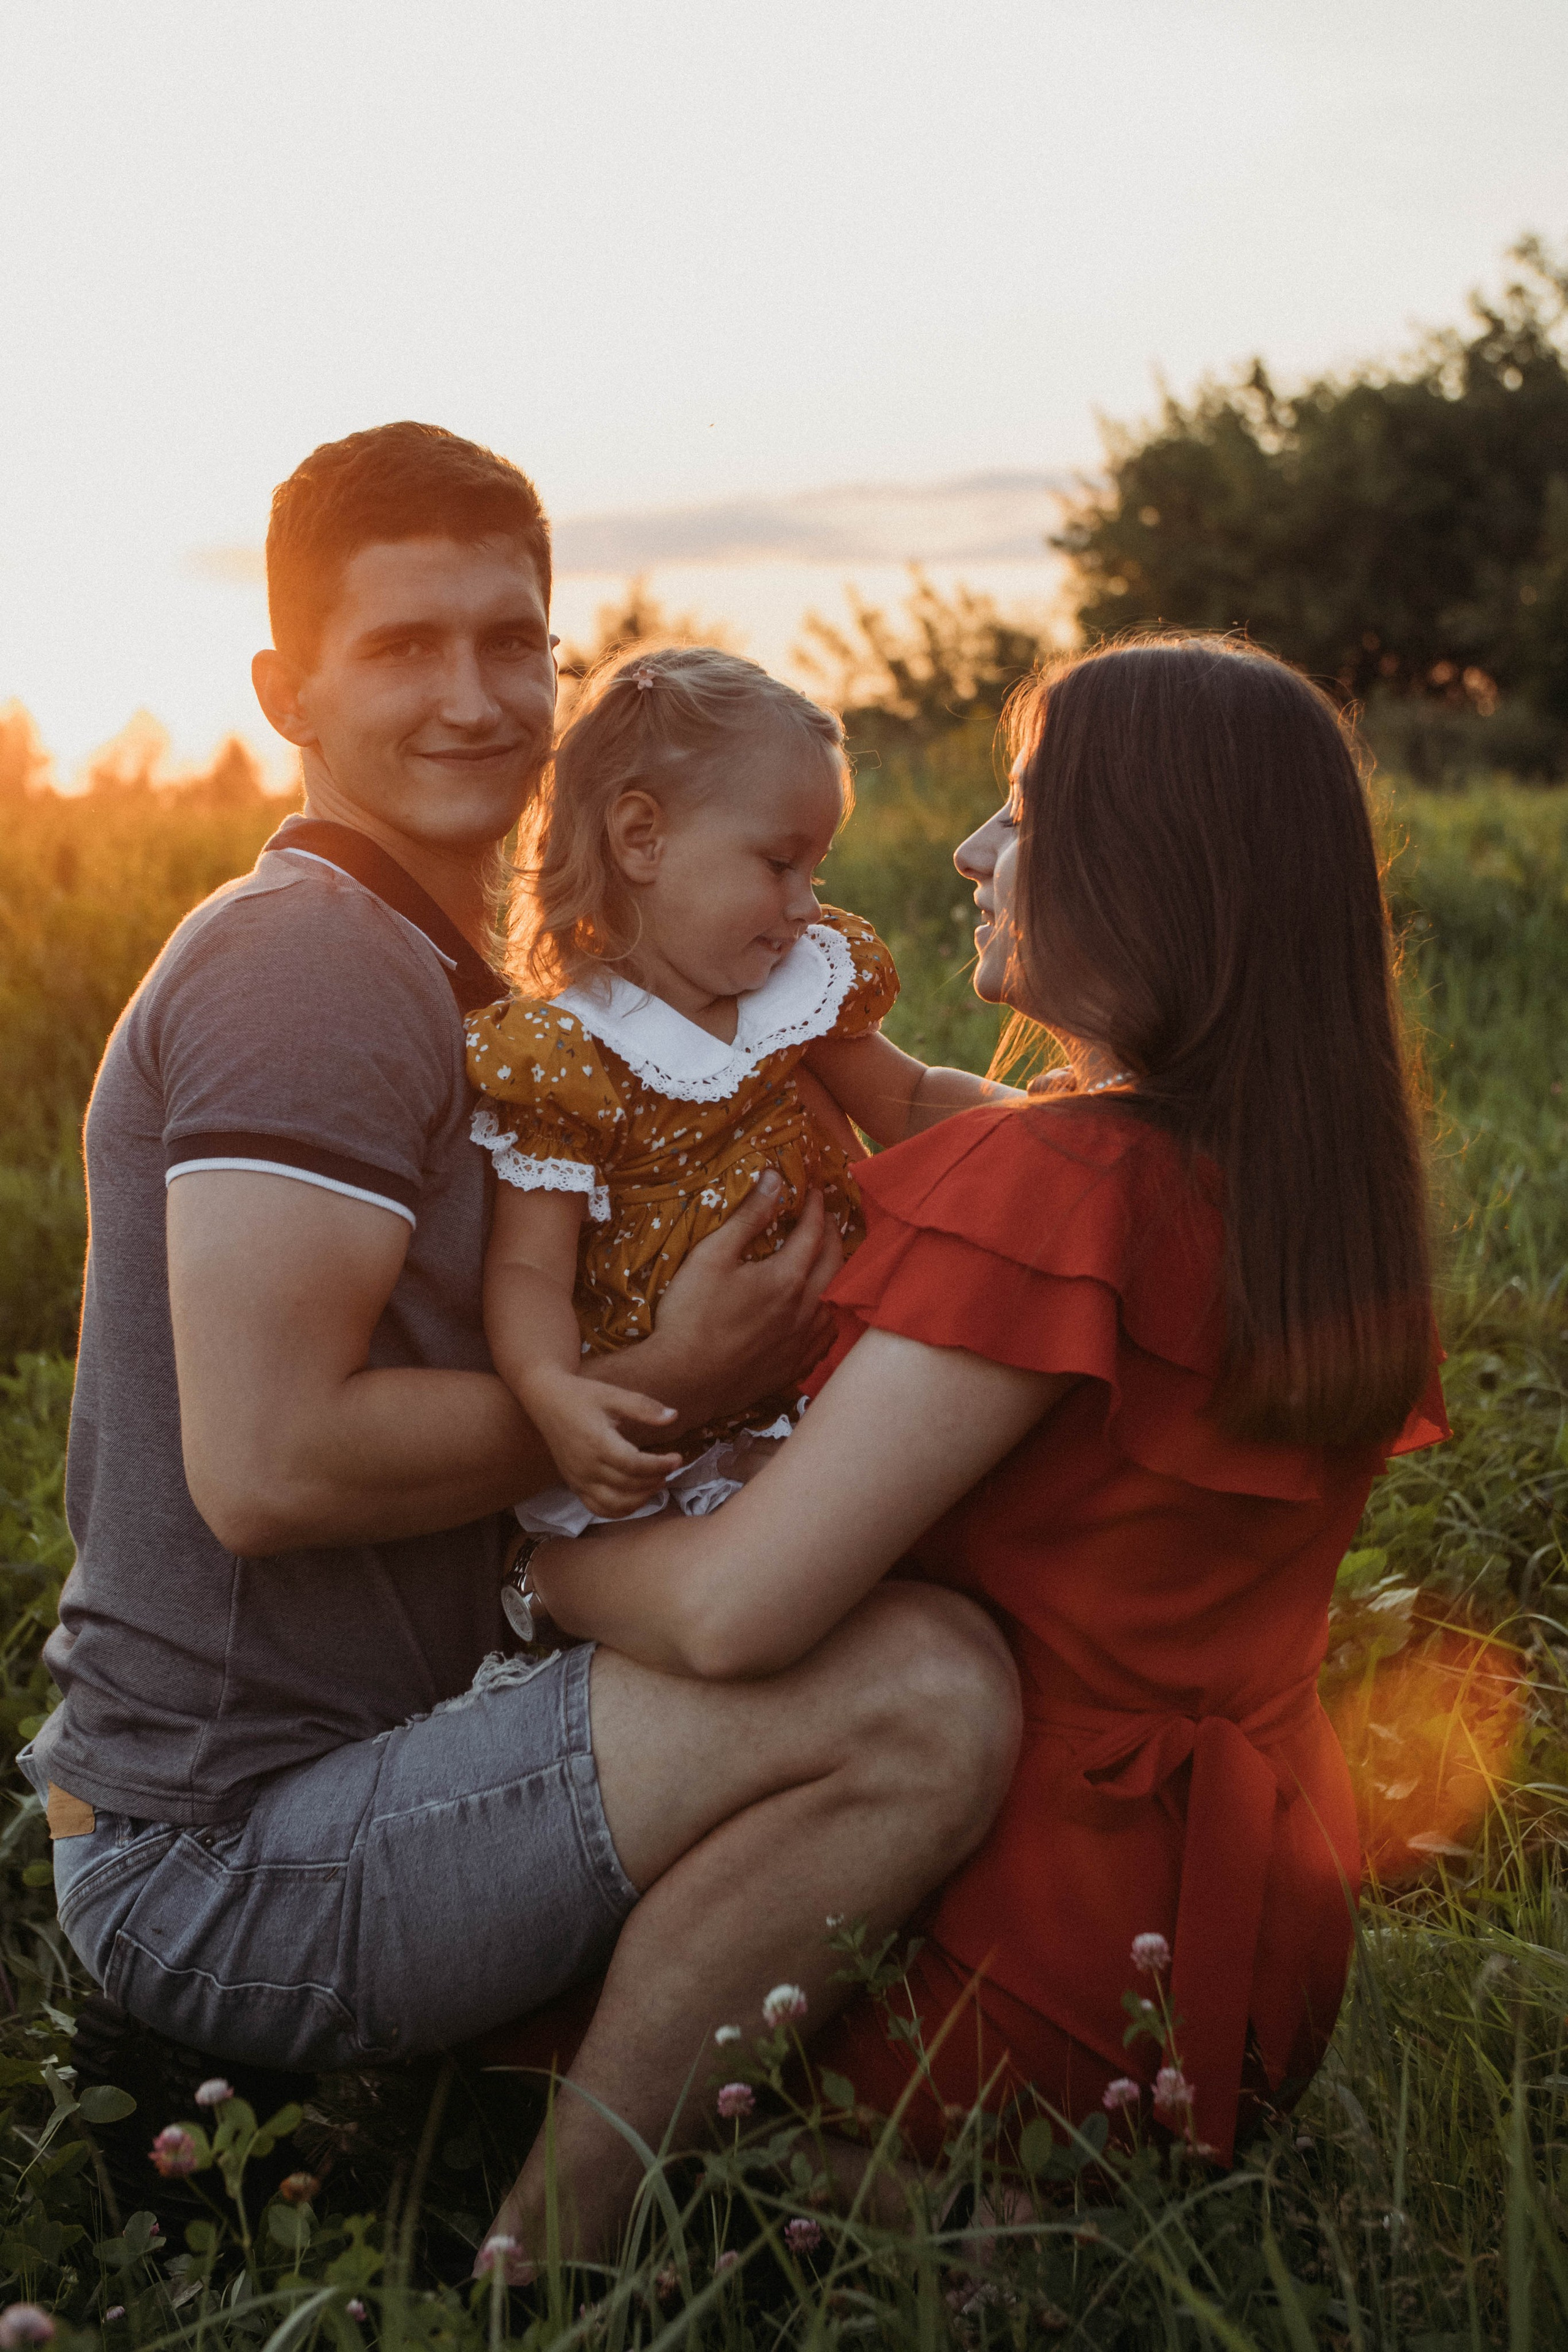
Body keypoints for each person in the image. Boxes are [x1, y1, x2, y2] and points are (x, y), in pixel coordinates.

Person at [18, 425, 1021, 2130]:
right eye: (404, 647)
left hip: (403, 1749)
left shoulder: (493, 987)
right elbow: (265, 1467)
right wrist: (672, 1391)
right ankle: (562, 2258)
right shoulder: (313, 962)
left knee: (873, 1599)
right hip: (228, 1850)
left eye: (512, 642)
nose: (475, 697)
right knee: (922, 1699)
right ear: (287, 690)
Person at [488, 636, 1448, 2253]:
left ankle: (605, 2248)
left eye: (1019, 812)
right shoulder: (1304, 1195)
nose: (970, 853)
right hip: (1244, 1939)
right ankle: (989, 2216)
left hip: (1029, 1952)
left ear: (1148, 872)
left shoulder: (1063, 1198)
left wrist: (528, 1564)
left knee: (482, 1970)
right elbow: (957, 1121)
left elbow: (736, 1611)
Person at [467, 641, 1014, 1536]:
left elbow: (909, 1101)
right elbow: (529, 1266)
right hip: (681, 1447)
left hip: (838, 1373)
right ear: (642, 839)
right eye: (778, 865)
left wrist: (1049, 1125)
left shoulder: (790, 992)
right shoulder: (571, 1055)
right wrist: (549, 1391)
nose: (805, 905)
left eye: (816, 870)